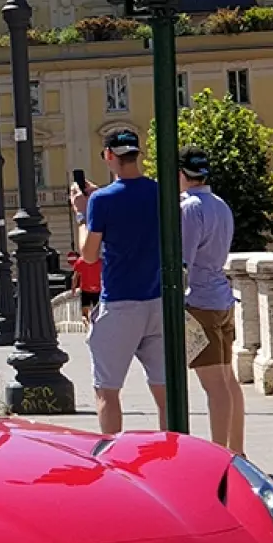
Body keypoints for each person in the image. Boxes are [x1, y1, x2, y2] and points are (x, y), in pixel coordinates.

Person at [69, 129, 167, 434]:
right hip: (158, 301)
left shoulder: (101, 201)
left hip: (121, 303)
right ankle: (173, 451)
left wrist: (84, 215)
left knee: (107, 391)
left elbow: (88, 254)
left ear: (109, 155)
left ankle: (114, 461)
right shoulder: (158, 191)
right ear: (136, 154)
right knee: (166, 395)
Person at [178, 146, 244, 454]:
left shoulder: (190, 208)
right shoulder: (220, 205)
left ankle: (220, 455)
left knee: (213, 384)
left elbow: (183, 261)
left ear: (182, 174)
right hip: (222, 298)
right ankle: (238, 450)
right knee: (227, 378)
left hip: (200, 302)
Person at [67, 248, 102, 324]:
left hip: (86, 290)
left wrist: (73, 289)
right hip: (98, 290)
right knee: (98, 313)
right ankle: (96, 326)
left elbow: (75, 277)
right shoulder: (100, 262)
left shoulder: (80, 261)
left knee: (84, 314)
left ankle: (87, 327)